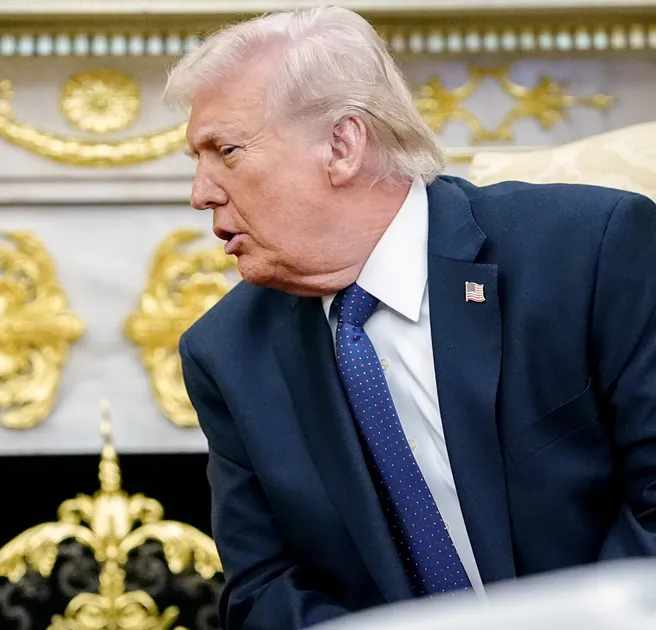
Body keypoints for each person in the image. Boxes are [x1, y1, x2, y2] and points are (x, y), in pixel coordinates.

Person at [165, 6, 656, 629]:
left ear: (341, 146)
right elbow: (264, 591)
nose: (201, 193)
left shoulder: (587, 250)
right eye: (197, 159)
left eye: (227, 151)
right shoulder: (227, 352)